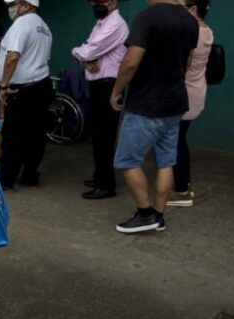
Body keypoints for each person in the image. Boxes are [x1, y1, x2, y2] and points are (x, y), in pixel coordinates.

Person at [109, 0, 199, 233]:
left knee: (127, 160)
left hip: (146, 104)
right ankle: (158, 216)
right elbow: (187, 62)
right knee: (166, 160)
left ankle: (145, 214)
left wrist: (116, 91)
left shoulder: (147, 17)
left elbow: (131, 61)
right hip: (175, 103)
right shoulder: (190, 21)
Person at [72, 0, 129, 200]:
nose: (95, 4)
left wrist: (81, 55)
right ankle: (100, 176)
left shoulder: (115, 24)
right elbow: (86, 50)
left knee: (105, 135)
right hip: (99, 85)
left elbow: (87, 50)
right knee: (98, 135)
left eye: (100, 0)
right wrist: (84, 58)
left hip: (108, 86)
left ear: (113, 2)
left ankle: (106, 184)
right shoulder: (101, 24)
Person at [0, 0, 53, 190]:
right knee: (35, 135)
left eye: (14, 3)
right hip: (42, 85)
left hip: (22, 89)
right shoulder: (44, 27)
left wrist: (3, 86)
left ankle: (6, 179)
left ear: (27, 5)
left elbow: (12, 57)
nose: (11, 7)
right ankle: (30, 175)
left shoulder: (22, 23)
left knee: (12, 134)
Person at [168, 0, 214, 208]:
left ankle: (182, 191)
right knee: (180, 138)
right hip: (196, 92)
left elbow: (181, 65)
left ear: (194, 9)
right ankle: (183, 183)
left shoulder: (192, 31)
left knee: (176, 140)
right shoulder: (207, 31)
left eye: (184, 6)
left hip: (184, 93)